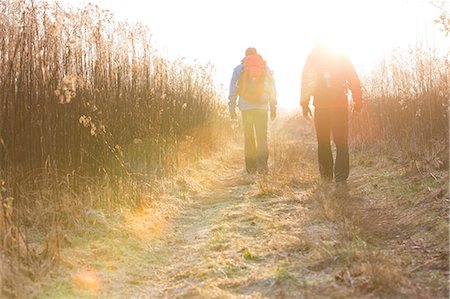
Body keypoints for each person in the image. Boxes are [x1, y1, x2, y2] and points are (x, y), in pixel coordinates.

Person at [300, 41, 362, 186]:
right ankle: (341, 179)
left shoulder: (312, 58)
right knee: (341, 142)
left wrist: (305, 103)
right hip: (340, 106)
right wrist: (358, 102)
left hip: (321, 107)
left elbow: (306, 81)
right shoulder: (341, 56)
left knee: (323, 143)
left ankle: (326, 178)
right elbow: (353, 78)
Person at [228, 47, 277, 174]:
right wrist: (273, 107)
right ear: (257, 54)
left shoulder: (239, 69)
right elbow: (272, 88)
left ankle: (250, 169)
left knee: (249, 137)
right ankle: (263, 168)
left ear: (245, 55)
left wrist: (232, 108)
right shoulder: (265, 68)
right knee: (262, 137)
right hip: (261, 107)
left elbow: (233, 89)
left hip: (246, 108)